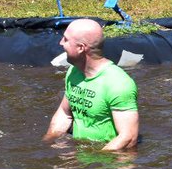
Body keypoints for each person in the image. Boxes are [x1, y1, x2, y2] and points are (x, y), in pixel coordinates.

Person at [43, 18, 139, 152]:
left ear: (81, 48)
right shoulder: (73, 72)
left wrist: (96, 164)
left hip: (108, 161)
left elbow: (128, 137)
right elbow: (65, 114)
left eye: (65, 39)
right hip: (81, 152)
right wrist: (47, 144)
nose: (61, 43)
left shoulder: (118, 84)